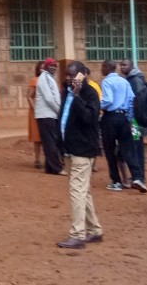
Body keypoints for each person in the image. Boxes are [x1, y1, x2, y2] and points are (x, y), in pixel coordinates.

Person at [56, 61, 103, 249]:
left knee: (77, 192)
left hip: (82, 150)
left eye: (73, 75)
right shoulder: (67, 92)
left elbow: (89, 118)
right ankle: (95, 230)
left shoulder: (90, 93)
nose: (69, 78)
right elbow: (63, 119)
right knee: (84, 191)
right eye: (67, 75)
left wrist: (77, 96)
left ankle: (77, 234)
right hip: (70, 149)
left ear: (83, 75)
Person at [99, 60, 146, 193]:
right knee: (128, 148)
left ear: (108, 68)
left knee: (110, 150)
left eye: (103, 67)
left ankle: (116, 181)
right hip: (123, 118)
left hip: (110, 117)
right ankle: (137, 177)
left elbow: (108, 101)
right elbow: (131, 100)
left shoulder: (107, 82)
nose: (101, 70)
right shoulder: (124, 81)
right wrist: (129, 117)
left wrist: (98, 106)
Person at [34, 58, 64, 175]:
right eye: (51, 65)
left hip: (50, 114)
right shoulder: (45, 78)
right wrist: (59, 111)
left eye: (55, 66)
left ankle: (50, 167)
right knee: (51, 142)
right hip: (47, 114)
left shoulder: (50, 78)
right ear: (45, 67)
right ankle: (57, 168)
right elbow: (49, 99)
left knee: (50, 141)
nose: (53, 68)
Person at [119, 59, 147, 182]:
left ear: (131, 66)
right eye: (121, 65)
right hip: (134, 120)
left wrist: (134, 120)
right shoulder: (130, 79)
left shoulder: (135, 80)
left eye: (125, 65)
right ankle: (138, 176)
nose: (122, 67)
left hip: (135, 121)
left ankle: (140, 177)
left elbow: (137, 101)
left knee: (136, 148)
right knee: (135, 147)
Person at [26, 62, 42, 169]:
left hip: (46, 111)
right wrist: (35, 109)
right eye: (41, 68)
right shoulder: (34, 80)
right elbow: (29, 96)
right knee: (37, 137)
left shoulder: (49, 80)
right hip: (36, 112)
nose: (43, 70)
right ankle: (37, 159)